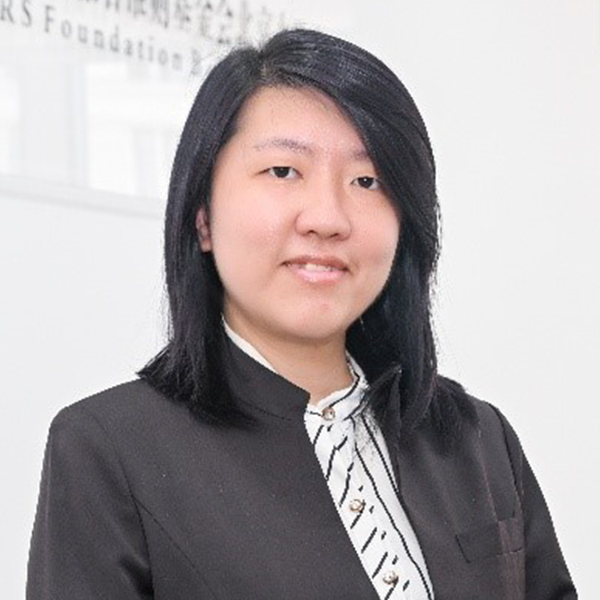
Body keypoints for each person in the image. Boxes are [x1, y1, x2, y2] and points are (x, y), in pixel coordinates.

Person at [26, 28, 576, 600]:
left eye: (367, 180)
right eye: (284, 171)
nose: (327, 218)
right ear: (203, 216)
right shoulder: (107, 450)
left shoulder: (477, 437)